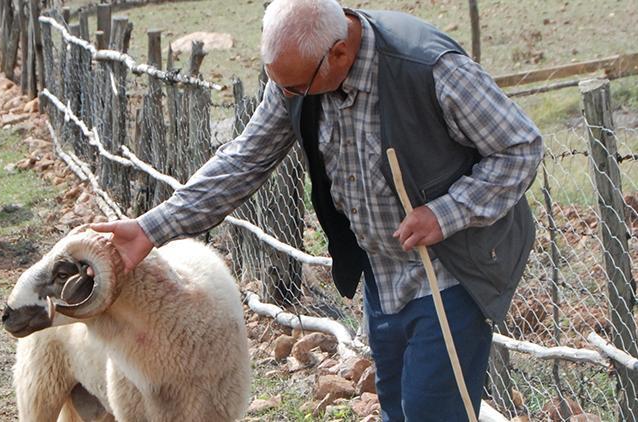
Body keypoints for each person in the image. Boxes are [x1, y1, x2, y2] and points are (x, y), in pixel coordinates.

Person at [92, 0, 543, 419]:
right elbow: (245, 159)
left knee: (431, 411)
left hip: (449, 267)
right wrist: (151, 229)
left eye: (293, 86)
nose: (286, 96)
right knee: (396, 407)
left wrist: (446, 213)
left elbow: (520, 148)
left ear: (341, 54)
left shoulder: (428, 67)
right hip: (383, 274)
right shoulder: (299, 77)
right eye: (279, 84)